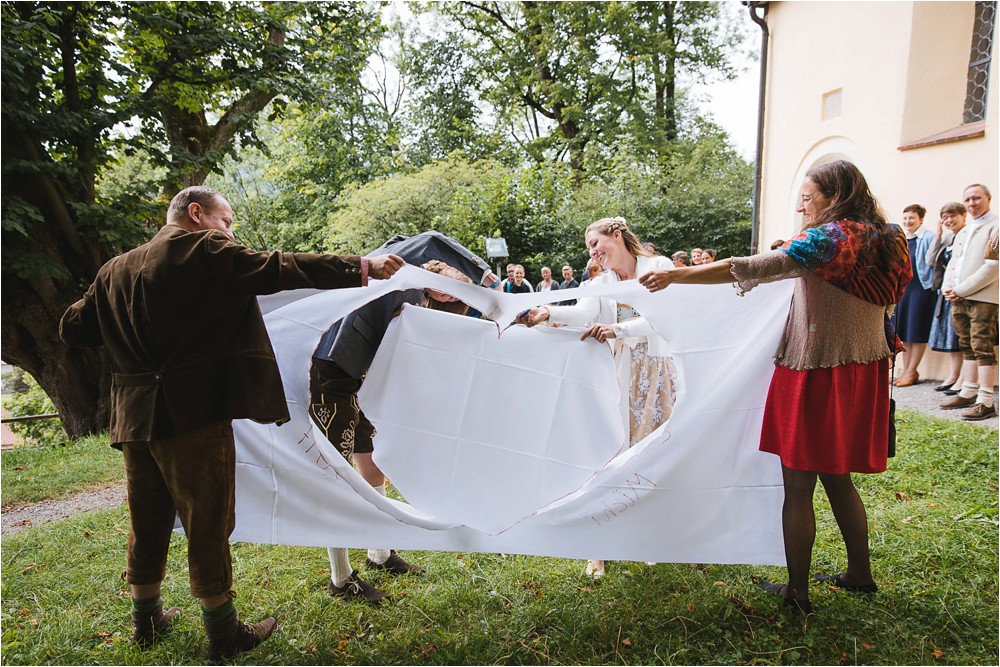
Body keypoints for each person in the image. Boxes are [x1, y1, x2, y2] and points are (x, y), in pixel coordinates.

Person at [58, 186, 405, 661]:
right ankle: (224, 633)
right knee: (208, 521)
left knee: (148, 519)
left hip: (133, 417)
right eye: (226, 222)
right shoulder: (204, 249)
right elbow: (278, 266)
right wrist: (361, 266)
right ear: (196, 214)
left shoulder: (114, 269)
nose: (231, 233)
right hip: (194, 413)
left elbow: (72, 328)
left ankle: (146, 622)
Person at [639, 160, 911, 613]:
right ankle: (860, 574)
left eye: (808, 197)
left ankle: (797, 592)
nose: (802, 206)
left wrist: (675, 275)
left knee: (798, 485)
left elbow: (750, 267)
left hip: (816, 369)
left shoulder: (827, 240)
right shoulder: (891, 237)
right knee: (838, 479)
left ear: (835, 196)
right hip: (864, 371)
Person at [310, 231, 501, 604]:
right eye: (455, 286)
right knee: (338, 471)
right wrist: (484, 275)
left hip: (362, 376)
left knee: (372, 462)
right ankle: (340, 577)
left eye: (457, 295)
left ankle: (379, 552)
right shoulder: (403, 266)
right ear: (443, 270)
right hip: (333, 369)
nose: (451, 295)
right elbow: (429, 238)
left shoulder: (422, 299)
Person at [519, 217, 677, 580]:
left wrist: (618, 329)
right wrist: (548, 312)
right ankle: (597, 547)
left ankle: (647, 539)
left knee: (651, 453)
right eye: (589, 247)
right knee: (608, 451)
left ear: (617, 235)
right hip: (616, 372)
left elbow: (666, 315)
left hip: (655, 371)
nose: (592, 252)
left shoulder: (658, 266)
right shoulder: (600, 283)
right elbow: (585, 312)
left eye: (595, 243)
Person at [938, 184, 999, 420]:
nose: (972, 203)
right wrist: (948, 288)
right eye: (968, 199)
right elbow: (954, 263)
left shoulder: (996, 226)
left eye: (976, 198)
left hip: (983, 297)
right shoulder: (965, 230)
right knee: (966, 345)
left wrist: (961, 290)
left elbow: (993, 266)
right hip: (959, 298)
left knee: (982, 346)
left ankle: (986, 401)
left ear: (988, 198)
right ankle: (968, 391)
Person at [925, 203, 970, 394]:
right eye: (945, 217)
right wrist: (938, 235)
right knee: (952, 339)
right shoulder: (948, 238)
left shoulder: (968, 235)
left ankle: (964, 379)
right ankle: (953, 375)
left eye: (953, 216)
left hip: (962, 293)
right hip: (945, 293)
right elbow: (929, 260)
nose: (949, 220)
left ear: (963, 215)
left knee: (964, 339)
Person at [890, 204, 937, 386]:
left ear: (921, 219)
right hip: (904, 289)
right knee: (905, 331)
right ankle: (906, 370)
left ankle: (911, 371)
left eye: (912, 218)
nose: (908, 221)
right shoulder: (901, 238)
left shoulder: (929, 237)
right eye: (905, 218)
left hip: (921, 288)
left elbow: (932, 262)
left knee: (917, 330)